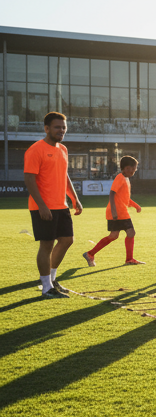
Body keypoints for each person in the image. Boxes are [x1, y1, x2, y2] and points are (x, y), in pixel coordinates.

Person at [24, 112, 82, 298]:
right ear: (46, 128)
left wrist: (74, 198)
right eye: (57, 127)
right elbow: (29, 178)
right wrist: (41, 205)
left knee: (67, 240)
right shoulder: (35, 149)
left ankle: (52, 279)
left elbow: (65, 176)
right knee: (47, 244)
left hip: (61, 205)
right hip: (43, 206)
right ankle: (46, 287)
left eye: (64, 127)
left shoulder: (63, 149)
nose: (61, 131)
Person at [83, 155, 143, 267]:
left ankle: (90, 254)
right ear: (127, 168)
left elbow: (125, 198)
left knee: (114, 235)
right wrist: (114, 212)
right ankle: (129, 259)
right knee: (130, 233)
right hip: (119, 212)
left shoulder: (126, 179)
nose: (134, 171)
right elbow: (112, 194)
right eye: (134, 169)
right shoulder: (120, 177)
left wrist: (136, 206)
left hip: (120, 211)